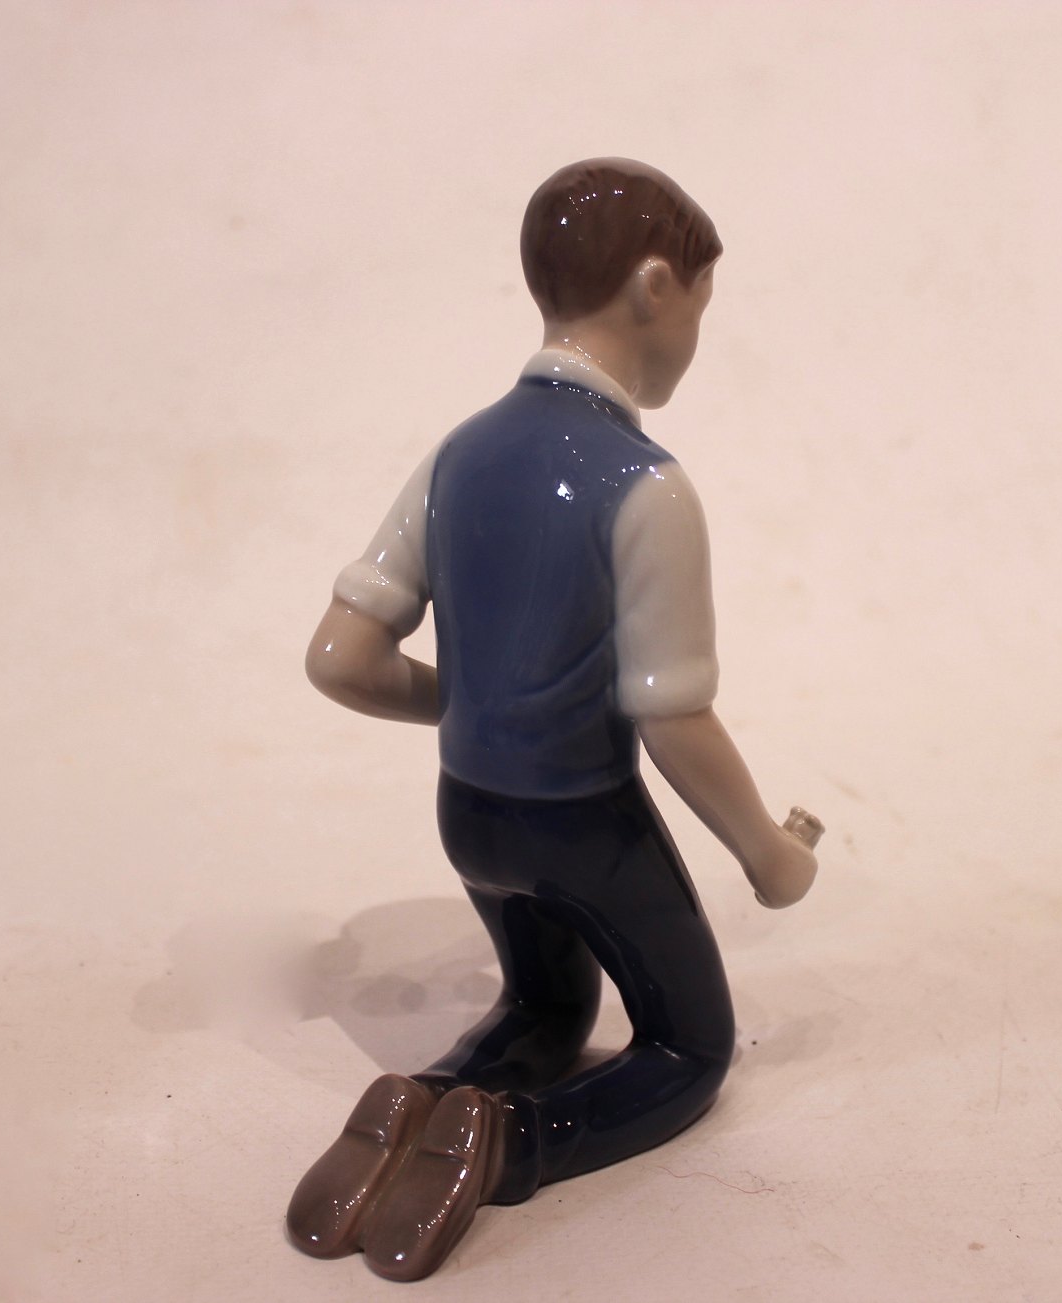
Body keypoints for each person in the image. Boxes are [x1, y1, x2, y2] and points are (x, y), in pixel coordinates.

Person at [288, 158, 821, 1282]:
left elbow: (340, 658)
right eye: (702, 309)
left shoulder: (456, 454)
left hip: (470, 816)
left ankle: (424, 1098)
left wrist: (470, 699)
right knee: (688, 1045)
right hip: (583, 826)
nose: (695, 342)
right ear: (655, 287)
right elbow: (673, 720)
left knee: (548, 1001)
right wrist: (768, 854)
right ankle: (516, 1142)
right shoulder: (647, 484)